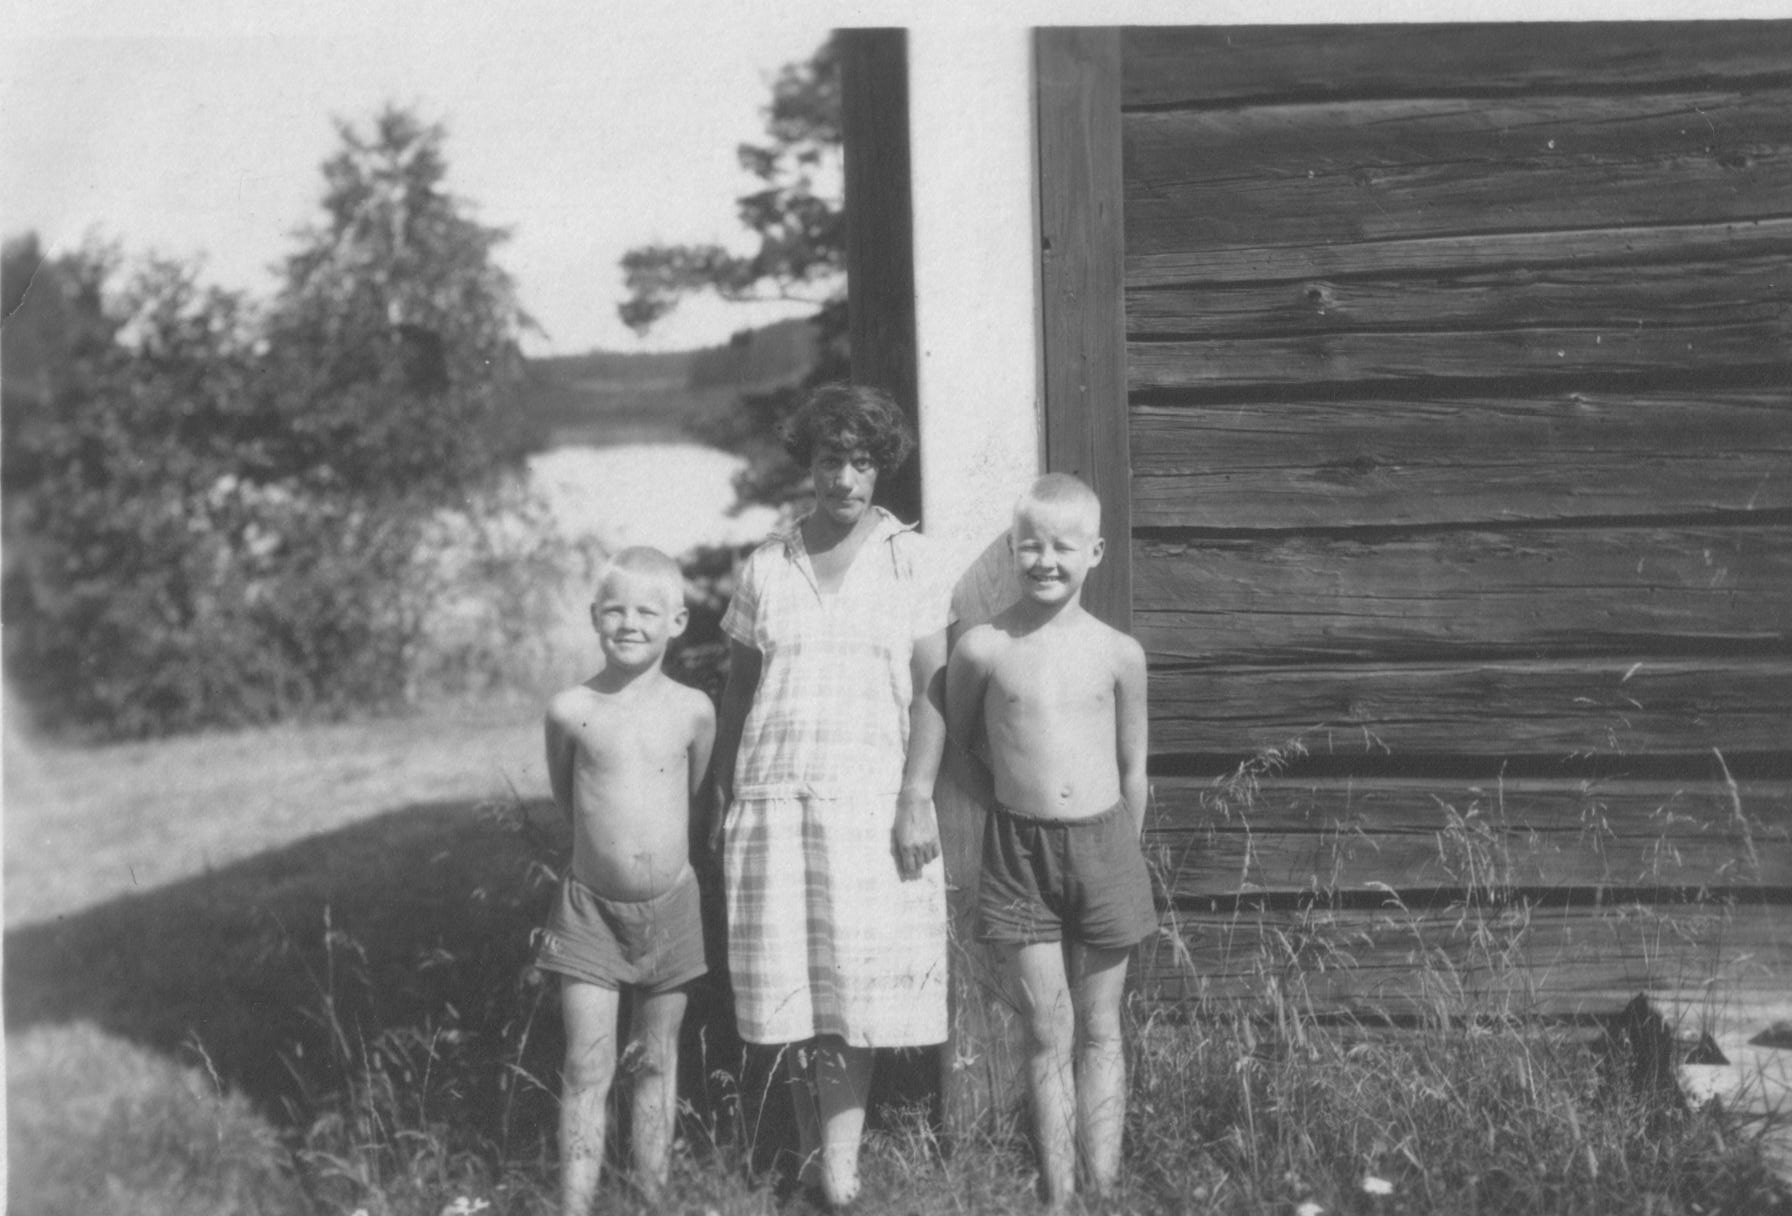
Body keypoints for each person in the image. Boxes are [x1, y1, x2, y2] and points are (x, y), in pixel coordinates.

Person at [711, 383, 950, 1208]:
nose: (844, 478)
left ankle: (839, 1173)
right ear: (808, 464)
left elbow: (934, 690)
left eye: (860, 462)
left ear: (881, 468)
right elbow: (739, 690)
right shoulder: (767, 565)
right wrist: (724, 793)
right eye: (828, 459)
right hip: (774, 801)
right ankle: (819, 1161)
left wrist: (916, 795)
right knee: (794, 991)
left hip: (868, 803)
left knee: (851, 990)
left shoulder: (910, 560)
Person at [945, 473, 1154, 1209]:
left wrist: (1123, 852)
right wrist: (1008, 809)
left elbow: (1134, 769)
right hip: (1018, 854)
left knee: (1100, 1027)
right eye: (1030, 546)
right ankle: (1059, 1194)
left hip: (1106, 848)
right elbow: (958, 748)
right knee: (1046, 1027)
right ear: (1011, 550)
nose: (1046, 561)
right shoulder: (983, 648)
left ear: (1094, 552)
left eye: (1064, 547)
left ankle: (1105, 1187)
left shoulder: (1119, 653)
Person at [537, 546, 717, 1213]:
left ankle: (652, 1199)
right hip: (590, 910)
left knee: (656, 1060)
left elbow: (697, 798)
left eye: (647, 611)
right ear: (593, 617)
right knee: (587, 1064)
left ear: (677, 622)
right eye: (615, 610)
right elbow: (569, 797)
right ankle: (575, 1206)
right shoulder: (569, 709)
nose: (630, 624)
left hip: (671, 907)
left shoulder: (694, 710)